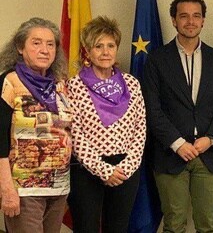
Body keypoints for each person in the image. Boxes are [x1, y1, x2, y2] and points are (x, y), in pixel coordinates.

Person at [143, 0, 213, 233]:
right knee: (174, 225)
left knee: (210, 226)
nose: (190, 22)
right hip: (171, 155)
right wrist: (177, 143)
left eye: (196, 16)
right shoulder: (157, 59)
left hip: (208, 154)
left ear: (203, 20)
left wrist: (210, 138)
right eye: (184, 16)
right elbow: (153, 108)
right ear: (174, 20)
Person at [66, 16, 146, 232]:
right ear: (88, 51)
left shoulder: (131, 83)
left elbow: (140, 128)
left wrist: (125, 167)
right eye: (98, 46)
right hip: (87, 170)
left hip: (125, 169)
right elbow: (75, 132)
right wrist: (103, 170)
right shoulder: (74, 85)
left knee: (118, 228)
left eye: (110, 45)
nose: (105, 52)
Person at [0, 17, 72, 233]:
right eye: (36, 43)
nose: (45, 50)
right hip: (24, 190)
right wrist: (6, 188)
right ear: (21, 47)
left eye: (51, 44)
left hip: (58, 187)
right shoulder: (9, 82)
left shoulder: (60, 85)